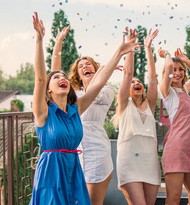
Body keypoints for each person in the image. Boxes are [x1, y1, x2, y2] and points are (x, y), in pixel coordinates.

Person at [30, 12, 140, 205]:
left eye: (64, 76)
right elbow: (40, 78)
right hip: (51, 174)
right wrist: (40, 40)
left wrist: (119, 52)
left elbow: (99, 82)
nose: (62, 78)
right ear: (48, 88)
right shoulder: (43, 112)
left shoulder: (76, 109)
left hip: (74, 170)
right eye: (56, 78)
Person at [51, 25, 122, 205]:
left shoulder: (107, 90)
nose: (85, 67)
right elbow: (53, 77)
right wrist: (58, 43)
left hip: (96, 150)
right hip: (73, 151)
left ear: (96, 68)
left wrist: (98, 76)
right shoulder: (72, 93)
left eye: (88, 64)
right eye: (81, 66)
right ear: (77, 73)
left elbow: (94, 92)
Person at [115, 28, 161, 205]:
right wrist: (131, 47)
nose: (136, 83)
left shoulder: (149, 104)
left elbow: (152, 78)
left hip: (149, 161)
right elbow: (127, 73)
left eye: (139, 82)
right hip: (128, 161)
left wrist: (148, 49)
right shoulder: (124, 104)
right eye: (133, 82)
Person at [158, 47, 190, 205]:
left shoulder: (184, 89)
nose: (177, 72)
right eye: (174, 70)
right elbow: (168, 67)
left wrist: (185, 60)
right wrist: (167, 55)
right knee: (174, 199)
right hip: (175, 149)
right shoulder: (167, 91)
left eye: (181, 70)